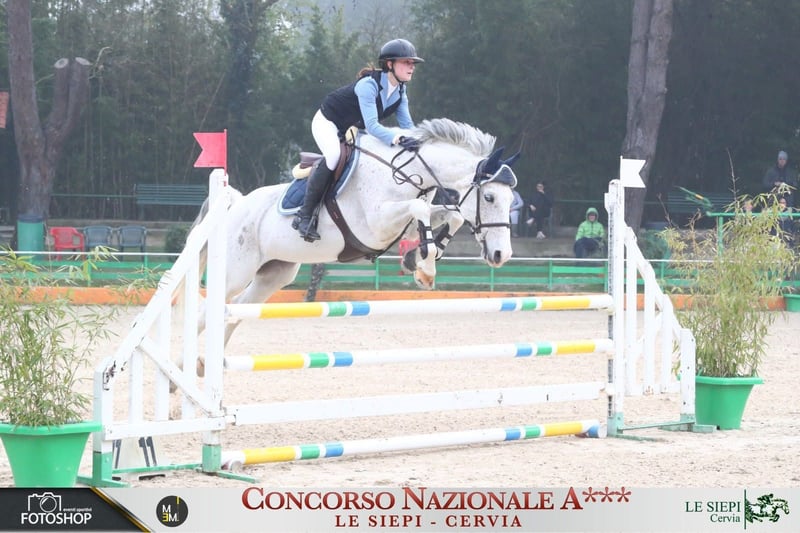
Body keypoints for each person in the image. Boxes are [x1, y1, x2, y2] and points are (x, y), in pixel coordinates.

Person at [293, 39, 424, 241]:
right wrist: (398, 138)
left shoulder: (400, 92)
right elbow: (372, 126)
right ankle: (304, 214)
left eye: (413, 63)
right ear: (390, 64)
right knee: (334, 156)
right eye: (406, 62)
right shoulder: (368, 86)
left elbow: (408, 126)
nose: (412, 67)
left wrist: (420, 142)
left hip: (350, 129)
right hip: (327, 122)